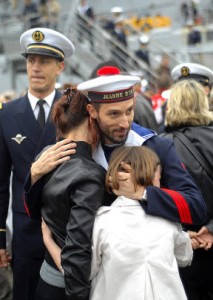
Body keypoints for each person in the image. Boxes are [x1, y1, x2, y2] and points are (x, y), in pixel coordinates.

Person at [27, 74, 206, 230]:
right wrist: (34, 176)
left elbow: (196, 207)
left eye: (129, 111)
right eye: (114, 114)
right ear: (92, 111)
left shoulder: (157, 146)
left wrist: (144, 193)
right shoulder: (74, 147)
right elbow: (36, 212)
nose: (125, 123)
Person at [40, 145, 193, 300]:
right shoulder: (168, 219)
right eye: (160, 178)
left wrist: (48, 240)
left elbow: (79, 272)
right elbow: (185, 257)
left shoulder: (102, 222)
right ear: (154, 177)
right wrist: (186, 238)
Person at [0, 27, 75, 300]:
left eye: (44, 61)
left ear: (60, 66)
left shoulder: (74, 110)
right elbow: (1, 184)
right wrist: (0, 238)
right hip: (26, 230)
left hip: (68, 228)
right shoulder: (7, 114)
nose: (36, 67)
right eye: (31, 60)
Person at [25, 88, 107, 300]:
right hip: (70, 286)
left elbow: (33, 211)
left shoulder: (47, 155)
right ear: (91, 117)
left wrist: (33, 174)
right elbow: (78, 248)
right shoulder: (90, 174)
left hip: (47, 277)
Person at [160, 79, 213, 300]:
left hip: (178, 250)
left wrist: (181, 236)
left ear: (171, 105)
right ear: (204, 103)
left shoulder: (158, 145)